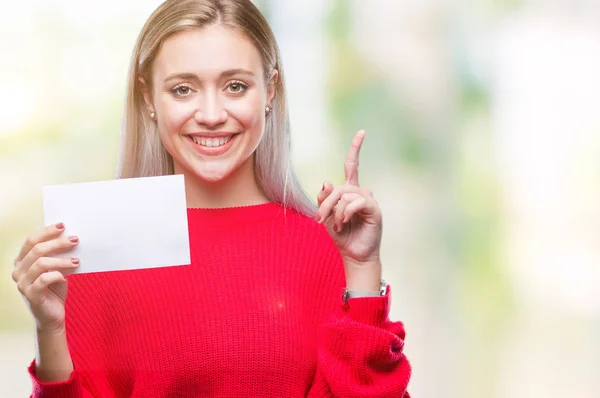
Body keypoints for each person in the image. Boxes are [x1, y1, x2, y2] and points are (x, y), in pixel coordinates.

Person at [11, 0, 412, 396]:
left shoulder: (329, 248)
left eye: (235, 86)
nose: (211, 113)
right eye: (183, 89)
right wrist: (51, 329)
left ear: (270, 90)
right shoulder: (94, 252)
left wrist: (361, 272)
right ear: (148, 97)